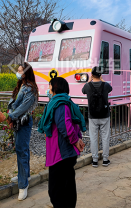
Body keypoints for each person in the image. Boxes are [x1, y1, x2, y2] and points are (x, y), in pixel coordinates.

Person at [38, 77, 86, 208]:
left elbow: (64, 125)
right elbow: (73, 123)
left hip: (61, 154)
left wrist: (76, 141)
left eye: (50, 86)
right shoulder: (66, 102)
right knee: (67, 186)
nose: (48, 90)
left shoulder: (60, 104)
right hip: (64, 153)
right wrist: (78, 139)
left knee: (56, 191)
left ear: (55, 87)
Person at [7, 62, 38, 201]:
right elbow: (14, 103)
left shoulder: (30, 88)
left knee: (22, 150)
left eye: (20, 70)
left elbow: (24, 107)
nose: (18, 73)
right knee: (21, 149)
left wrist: (11, 116)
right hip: (17, 121)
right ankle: (24, 175)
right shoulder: (22, 85)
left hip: (23, 122)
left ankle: (23, 185)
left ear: (26, 72)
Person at [81, 66, 113, 167]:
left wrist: (89, 81)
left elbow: (83, 91)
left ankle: (94, 160)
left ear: (91, 74)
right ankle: (105, 159)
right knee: (105, 137)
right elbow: (110, 89)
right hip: (105, 115)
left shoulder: (87, 86)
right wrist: (102, 80)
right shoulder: (106, 85)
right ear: (100, 75)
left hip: (92, 116)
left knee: (93, 138)